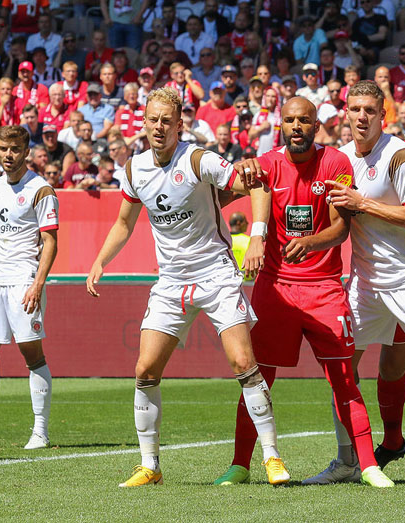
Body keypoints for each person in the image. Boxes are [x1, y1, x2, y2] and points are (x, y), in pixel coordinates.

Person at [86, 86, 287, 487]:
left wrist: (260, 236)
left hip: (215, 273)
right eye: (153, 119)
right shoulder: (134, 168)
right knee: (145, 370)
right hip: (171, 282)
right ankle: (150, 465)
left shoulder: (198, 159)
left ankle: (272, 457)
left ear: (180, 125)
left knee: (243, 364)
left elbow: (259, 184)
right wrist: (100, 261)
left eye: (167, 120)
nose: (159, 127)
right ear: (143, 122)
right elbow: (125, 223)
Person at [217, 96, 394, 489]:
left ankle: (367, 465)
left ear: (317, 126)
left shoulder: (335, 163)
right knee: (255, 378)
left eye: (305, 121)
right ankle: (239, 464)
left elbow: (341, 228)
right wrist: (238, 170)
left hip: (324, 289)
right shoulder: (266, 164)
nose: (297, 127)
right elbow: (221, 195)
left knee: (343, 378)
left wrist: (312, 243)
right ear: (281, 125)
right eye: (290, 120)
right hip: (275, 290)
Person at [304, 81, 405, 485]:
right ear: (345, 113)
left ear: (382, 114)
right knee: (340, 368)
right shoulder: (339, 159)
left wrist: (363, 203)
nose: (362, 117)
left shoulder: (400, 156)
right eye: (355, 109)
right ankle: (347, 460)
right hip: (365, 284)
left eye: (370, 109)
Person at [0, 125, 58, 450]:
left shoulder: (41, 189)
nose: (8, 155)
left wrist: (37, 283)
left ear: (26, 151)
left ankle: (40, 432)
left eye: (15, 149)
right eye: (3, 149)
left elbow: (50, 242)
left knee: (31, 353)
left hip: (23, 280)